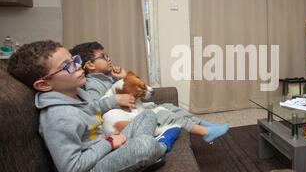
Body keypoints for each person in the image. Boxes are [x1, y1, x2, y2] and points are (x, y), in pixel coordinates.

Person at [7, 40, 180, 172]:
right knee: (144, 145)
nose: (77, 66)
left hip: (106, 148)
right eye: (67, 66)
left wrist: (115, 100)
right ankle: (160, 147)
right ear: (44, 85)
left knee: (147, 115)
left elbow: (95, 107)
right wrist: (109, 142)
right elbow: (71, 168)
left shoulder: (76, 94)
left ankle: (144, 156)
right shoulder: (58, 117)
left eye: (74, 60)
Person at [70, 41, 229, 143]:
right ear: (90, 65)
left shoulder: (107, 78)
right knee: (163, 113)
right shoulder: (93, 84)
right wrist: (116, 99)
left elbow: (134, 89)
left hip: (133, 112)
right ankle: (205, 132)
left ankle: (204, 123)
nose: (109, 58)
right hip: (127, 120)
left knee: (169, 106)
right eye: (103, 56)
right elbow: (94, 107)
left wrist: (124, 77)